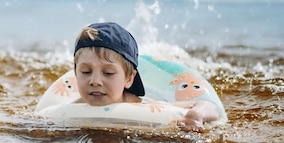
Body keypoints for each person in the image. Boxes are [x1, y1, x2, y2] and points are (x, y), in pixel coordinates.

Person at [73, 22, 220, 132]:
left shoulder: (143, 106)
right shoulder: (73, 107)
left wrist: (196, 115)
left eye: (108, 73)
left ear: (129, 78)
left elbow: (211, 107)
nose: (95, 81)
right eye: (86, 72)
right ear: (75, 73)